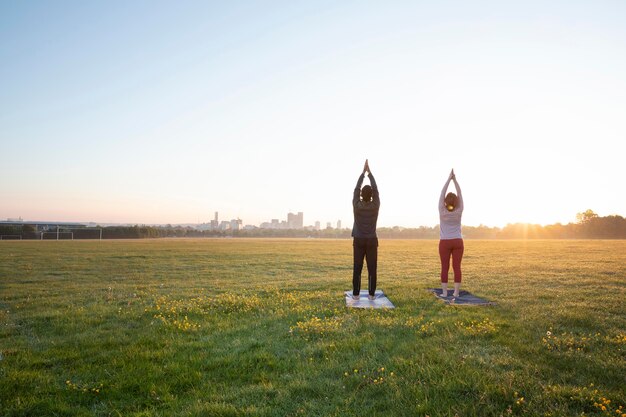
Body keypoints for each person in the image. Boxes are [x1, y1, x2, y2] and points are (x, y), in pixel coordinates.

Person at [351, 159, 380, 300]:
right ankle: (371, 295)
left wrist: (363, 173)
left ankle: (356, 295)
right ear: (372, 195)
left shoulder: (357, 205)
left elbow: (356, 189)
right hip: (371, 240)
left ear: (362, 195)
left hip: (358, 240)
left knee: (357, 268)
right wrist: (370, 174)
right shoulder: (375, 205)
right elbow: (376, 190)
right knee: (372, 269)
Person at [438, 169, 464, 298]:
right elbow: (460, 193)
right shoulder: (459, 210)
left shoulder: (442, 210)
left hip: (445, 242)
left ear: (445, 202)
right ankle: (456, 293)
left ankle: (444, 293)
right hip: (458, 241)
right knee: (457, 267)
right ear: (457, 202)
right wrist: (455, 180)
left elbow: (442, 193)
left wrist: (449, 179)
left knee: (445, 267)